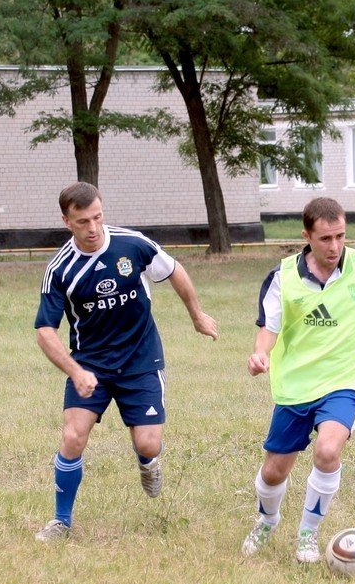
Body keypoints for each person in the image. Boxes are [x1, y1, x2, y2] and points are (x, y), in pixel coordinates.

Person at [242, 197, 355, 563]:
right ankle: (266, 521)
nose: (334, 246)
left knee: (327, 451)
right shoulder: (283, 276)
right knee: (273, 470)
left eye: (340, 236)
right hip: (296, 385)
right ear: (307, 236)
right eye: (326, 238)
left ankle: (308, 535)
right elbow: (269, 327)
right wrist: (260, 353)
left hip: (348, 380)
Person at [33, 182, 218, 541]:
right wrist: (75, 370)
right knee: (72, 436)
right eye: (83, 221)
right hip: (91, 363)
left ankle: (148, 462)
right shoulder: (60, 270)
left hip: (140, 357)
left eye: (98, 217)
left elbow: (174, 270)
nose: (93, 228)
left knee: (148, 444)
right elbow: (45, 331)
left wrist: (196, 315)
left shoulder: (131, 244)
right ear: (66, 222)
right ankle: (61, 521)